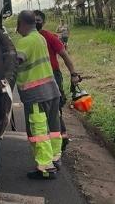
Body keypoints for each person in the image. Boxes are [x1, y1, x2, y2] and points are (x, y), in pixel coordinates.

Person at [15, 10, 62, 180]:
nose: (17, 30)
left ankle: (45, 167)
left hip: (36, 95)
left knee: (39, 131)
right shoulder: (41, 38)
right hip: (51, 91)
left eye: (17, 26)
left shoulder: (25, 42)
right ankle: (55, 159)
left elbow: (14, 64)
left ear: (22, 24)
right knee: (53, 128)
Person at [34, 10, 80, 149]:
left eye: (38, 20)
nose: (36, 22)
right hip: (36, 78)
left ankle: (62, 136)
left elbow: (65, 56)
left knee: (55, 107)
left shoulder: (50, 37)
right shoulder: (28, 38)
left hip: (53, 75)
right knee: (42, 110)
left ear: (43, 22)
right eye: (33, 20)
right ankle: (57, 136)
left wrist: (73, 74)